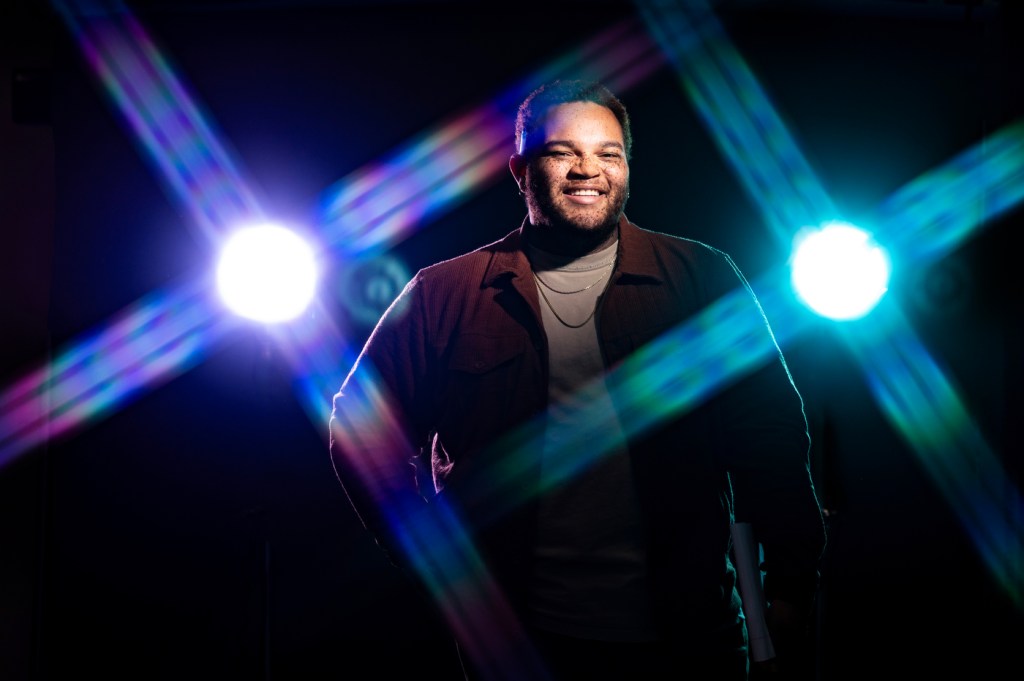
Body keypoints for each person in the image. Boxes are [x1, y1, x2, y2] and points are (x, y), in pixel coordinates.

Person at [329, 79, 827, 680]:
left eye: (607, 153)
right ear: (520, 170)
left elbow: (769, 440)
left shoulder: (700, 277)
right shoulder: (446, 294)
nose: (586, 170)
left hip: (688, 637)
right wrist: (431, 561)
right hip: (517, 645)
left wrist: (793, 583)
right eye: (562, 152)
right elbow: (359, 429)